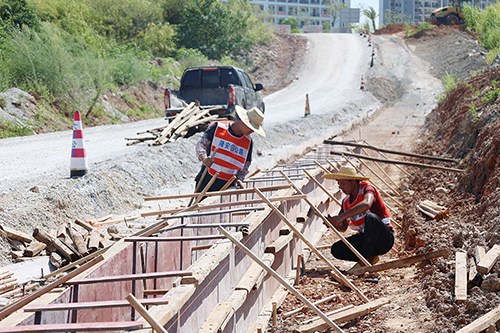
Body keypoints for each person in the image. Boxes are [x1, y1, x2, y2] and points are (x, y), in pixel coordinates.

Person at [322, 165, 394, 274]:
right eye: (339, 184)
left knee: (371, 218)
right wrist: (334, 223)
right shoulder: (346, 202)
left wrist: (341, 216)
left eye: (343, 183)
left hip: (383, 239)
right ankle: (370, 256)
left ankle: (363, 262)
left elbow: (366, 204)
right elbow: (343, 227)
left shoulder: (367, 189)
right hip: (366, 241)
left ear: (353, 181)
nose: (341, 187)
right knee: (336, 249)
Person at [194, 106, 265, 193]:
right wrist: (204, 158)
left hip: (228, 186)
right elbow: (201, 144)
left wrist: (240, 179)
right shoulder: (218, 128)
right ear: (243, 121)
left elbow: (246, 164)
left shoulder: (248, 142)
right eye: (251, 127)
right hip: (206, 181)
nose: (252, 131)